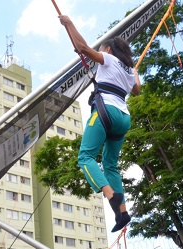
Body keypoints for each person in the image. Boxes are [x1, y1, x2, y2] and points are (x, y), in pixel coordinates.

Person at [58, 15, 141, 233]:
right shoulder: (129, 71)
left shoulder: (110, 59)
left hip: (107, 113)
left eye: (102, 49)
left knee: (85, 157)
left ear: (110, 50)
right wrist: (134, 70)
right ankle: (122, 213)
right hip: (123, 118)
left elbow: (83, 47)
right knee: (110, 165)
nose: (100, 52)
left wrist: (69, 24)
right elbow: (137, 90)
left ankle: (111, 196)